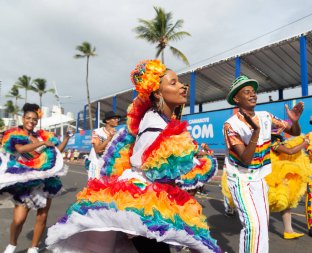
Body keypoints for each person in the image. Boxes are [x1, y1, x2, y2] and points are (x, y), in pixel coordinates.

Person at [46, 60, 221, 253]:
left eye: (180, 82)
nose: (182, 87)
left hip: (150, 193)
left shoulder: (160, 120)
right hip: (142, 196)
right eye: (173, 83)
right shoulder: (154, 124)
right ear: (157, 93)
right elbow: (153, 168)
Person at [223, 75, 304, 253]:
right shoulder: (230, 125)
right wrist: (257, 131)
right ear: (237, 99)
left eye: (253, 91)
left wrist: (295, 121)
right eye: (247, 92)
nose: (252, 94)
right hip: (241, 179)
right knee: (253, 226)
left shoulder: (266, 116)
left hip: (261, 180)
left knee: (262, 225)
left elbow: (295, 132)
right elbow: (245, 159)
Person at [0, 103, 71, 253]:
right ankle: (12, 244)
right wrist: (42, 143)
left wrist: (66, 138)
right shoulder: (16, 134)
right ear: (23, 118)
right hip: (26, 179)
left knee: (42, 216)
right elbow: (20, 149)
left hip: (45, 179)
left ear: (37, 121)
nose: (31, 121)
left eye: (34, 119)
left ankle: (33, 248)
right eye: (28, 118)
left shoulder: (41, 136)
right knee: (19, 219)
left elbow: (55, 153)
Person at [266, 134, 310, 239]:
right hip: (272, 176)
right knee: (266, 204)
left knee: (285, 204)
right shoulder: (273, 144)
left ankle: (288, 231)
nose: (282, 142)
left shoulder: (269, 144)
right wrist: (305, 143)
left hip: (276, 175)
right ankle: (261, 233)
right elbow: (291, 151)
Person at [87, 111, 120, 179]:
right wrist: (109, 138)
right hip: (96, 164)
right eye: (114, 118)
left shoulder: (117, 134)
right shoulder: (97, 132)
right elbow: (98, 150)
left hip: (109, 167)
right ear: (107, 120)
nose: (117, 120)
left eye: (117, 118)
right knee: (94, 187)